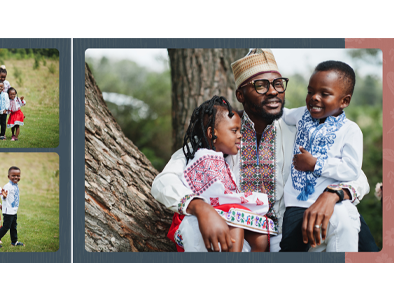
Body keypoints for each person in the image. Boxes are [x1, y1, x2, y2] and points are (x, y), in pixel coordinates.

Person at [152, 49, 377, 252]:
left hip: (291, 233)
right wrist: (199, 207)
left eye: (278, 84)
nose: (273, 92)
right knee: (193, 225)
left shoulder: (300, 128)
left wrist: (333, 194)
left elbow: (358, 176)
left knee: (344, 214)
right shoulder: (222, 131)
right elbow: (165, 181)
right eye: (261, 85)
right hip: (237, 235)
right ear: (241, 95)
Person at [172, 95, 274, 252]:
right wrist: (252, 199)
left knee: (260, 238)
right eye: (234, 131)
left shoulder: (222, 159)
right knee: (236, 226)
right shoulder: (202, 158)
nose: (240, 135)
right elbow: (216, 194)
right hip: (208, 211)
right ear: (212, 133)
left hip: (227, 209)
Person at [280, 61, 362, 252]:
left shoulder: (350, 130)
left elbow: (351, 169)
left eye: (324, 94)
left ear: (345, 101)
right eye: (310, 92)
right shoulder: (301, 115)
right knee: (290, 250)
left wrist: (315, 164)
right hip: (295, 204)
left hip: (330, 206)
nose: (314, 98)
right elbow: (282, 114)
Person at [0, 166, 25, 248]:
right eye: (13, 175)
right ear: (9, 176)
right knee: (6, 227)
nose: (16, 177)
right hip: (8, 210)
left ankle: (14, 241)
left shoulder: (16, 185)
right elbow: (3, 197)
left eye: (18, 175)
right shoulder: (7, 186)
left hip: (13, 210)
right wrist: (4, 196)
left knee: (13, 226)